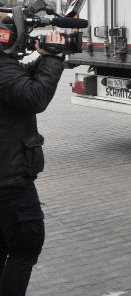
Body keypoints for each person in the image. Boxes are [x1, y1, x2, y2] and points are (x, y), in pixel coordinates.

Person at [0, 30, 65, 296]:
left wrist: (47, 57)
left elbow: (15, 82)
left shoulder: (5, 67)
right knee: (26, 244)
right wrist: (52, 61)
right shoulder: (2, 65)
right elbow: (33, 97)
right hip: (9, 179)